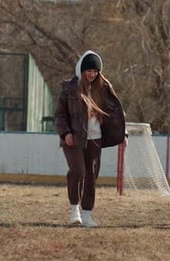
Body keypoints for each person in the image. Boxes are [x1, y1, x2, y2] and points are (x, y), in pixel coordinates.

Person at [54, 50, 127, 228]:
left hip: (96, 139)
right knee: (78, 172)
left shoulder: (103, 87)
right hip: (74, 138)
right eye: (89, 70)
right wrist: (65, 133)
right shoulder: (69, 88)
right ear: (82, 69)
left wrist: (122, 133)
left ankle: (87, 214)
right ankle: (74, 211)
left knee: (91, 176)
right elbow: (60, 114)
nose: (93, 74)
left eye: (96, 71)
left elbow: (116, 112)